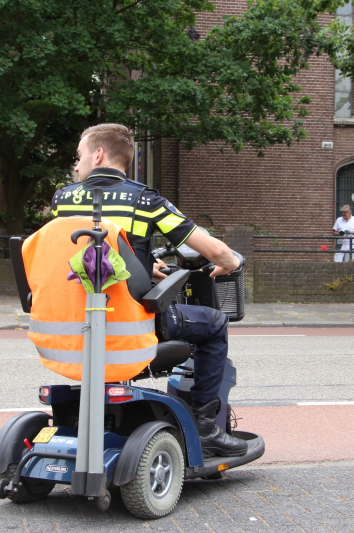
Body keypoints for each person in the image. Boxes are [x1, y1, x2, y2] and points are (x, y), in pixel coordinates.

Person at [51, 123, 247, 457]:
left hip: (72, 322)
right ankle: (205, 427)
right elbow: (212, 250)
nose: (76, 162)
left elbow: (85, 256)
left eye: (79, 155)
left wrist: (140, 268)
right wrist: (231, 262)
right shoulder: (144, 200)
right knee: (215, 323)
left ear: (98, 155)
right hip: (126, 324)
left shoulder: (62, 200)